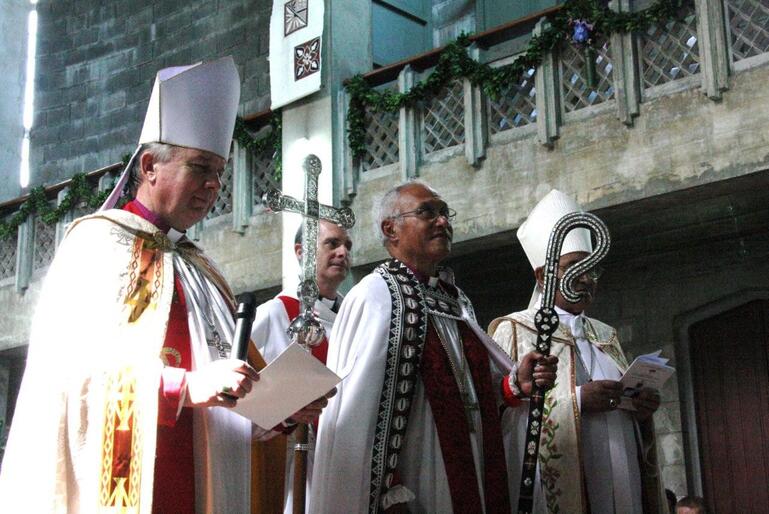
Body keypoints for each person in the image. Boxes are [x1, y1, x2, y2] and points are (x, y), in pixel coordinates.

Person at [0, 56, 324, 513]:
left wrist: (276, 411)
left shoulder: (202, 269)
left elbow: (230, 394)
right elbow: (72, 373)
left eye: (219, 172)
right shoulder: (96, 245)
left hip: (209, 484)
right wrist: (183, 387)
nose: (213, 185)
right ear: (150, 165)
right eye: (199, 168)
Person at [310, 181, 557, 513]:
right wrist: (387, 493)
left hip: (475, 475)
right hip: (416, 482)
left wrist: (513, 385)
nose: (443, 222)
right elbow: (357, 419)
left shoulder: (454, 300)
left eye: (444, 213)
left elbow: (470, 394)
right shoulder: (376, 297)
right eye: (428, 212)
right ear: (391, 229)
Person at [488, 189, 668, 514]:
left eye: (592, 268)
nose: (586, 278)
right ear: (543, 275)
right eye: (574, 266)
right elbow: (497, 413)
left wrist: (641, 412)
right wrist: (579, 401)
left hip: (622, 474)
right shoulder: (515, 329)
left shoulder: (605, 334)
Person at [251, 220, 352, 513]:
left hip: (348, 455)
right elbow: (241, 385)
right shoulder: (277, 312)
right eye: (332, 244)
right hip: (295, 461)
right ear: (301, 251)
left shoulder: (354, 317)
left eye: (347, 246)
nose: (343, 252)